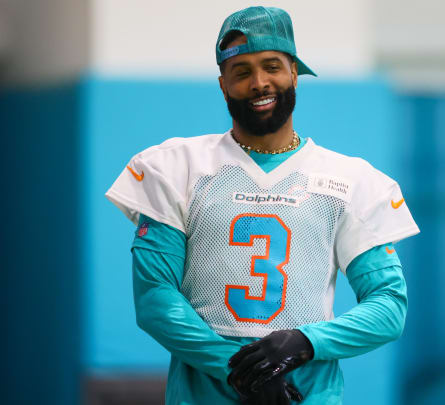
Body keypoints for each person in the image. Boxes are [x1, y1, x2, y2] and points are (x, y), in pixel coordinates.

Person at [106, 6, 419, 405]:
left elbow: (388, 306)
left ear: (293, 72)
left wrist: (305, 341)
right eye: (242, 71)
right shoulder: (178, 168)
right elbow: (155, 299)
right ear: (223, 85)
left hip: (306, 395)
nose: (259, 82)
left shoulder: (351, 180)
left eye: (271, 66)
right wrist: (241, 371)